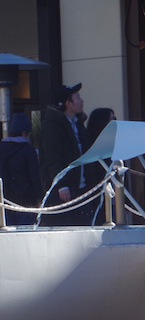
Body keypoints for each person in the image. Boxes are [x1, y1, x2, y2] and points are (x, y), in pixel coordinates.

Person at [38, 83, 92, 225]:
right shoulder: (52, 126)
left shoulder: (78, 124)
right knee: (64, 226)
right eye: (77, 98)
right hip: (63, 190)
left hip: (80, 186)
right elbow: (53, 157)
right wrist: (62, 184)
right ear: (68, 103)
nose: (82, 101)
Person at [0, 112, 43, 226]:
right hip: (26, 201)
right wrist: (40, 198)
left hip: (5, 201)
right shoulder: (28, 151)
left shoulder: (2, 149)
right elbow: (34, 177)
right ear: (25, 133)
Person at [84, 108, 117, 191]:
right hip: (97, 188)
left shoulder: (113, 141)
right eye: (112, 119)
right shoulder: (89, 144)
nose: (115, 122)